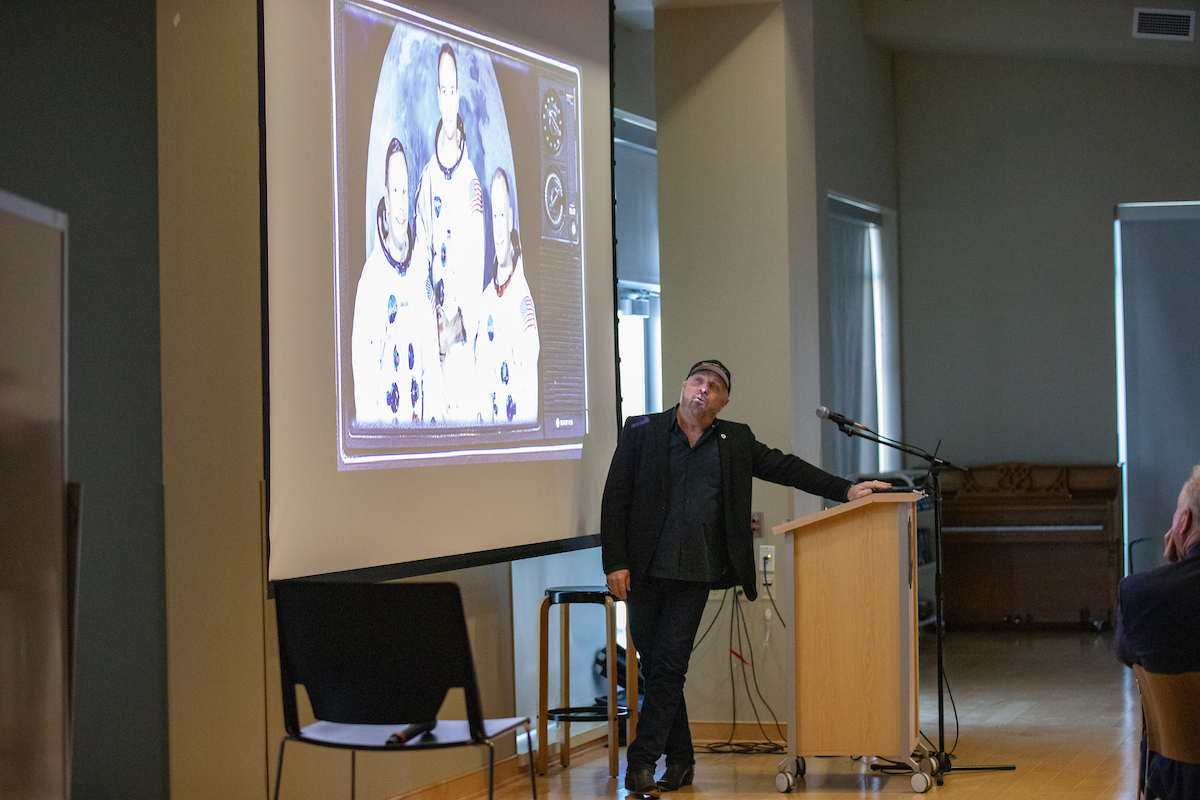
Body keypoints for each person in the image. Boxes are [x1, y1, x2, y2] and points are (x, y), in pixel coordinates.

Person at [600, 359, 891, 795]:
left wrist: (845, 489)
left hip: (696, 572)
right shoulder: (641, 429)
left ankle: (640, 764)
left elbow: (785, 467)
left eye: (714, 387)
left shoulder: (734, 440)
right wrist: (614, 562)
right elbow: (615, 496)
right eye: (698, 381)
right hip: (643, 571)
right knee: (657, 666)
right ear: (683, 387)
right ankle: (680, 761)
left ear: (724, 401)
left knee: (670, 666)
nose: (704, 390)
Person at [1113, 465, 1200, 800]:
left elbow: (1126, 652)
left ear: (1183, 521)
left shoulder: (1141, 595)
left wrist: (1172, 570)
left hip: (1180, 778)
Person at [412, 42, 485, 423]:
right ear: (436, 96)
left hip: (460, 341)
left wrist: (457, 323)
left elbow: (476, 268)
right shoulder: (426, 181)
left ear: (460, 94)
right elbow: (419, 261)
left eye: (453, 89)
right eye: (442, 89)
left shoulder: (472, 184)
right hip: (433, 338)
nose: (448, 97)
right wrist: (432, 320)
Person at [351, 138, 442, 425]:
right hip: (388, 451)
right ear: (386, 200)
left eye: (405, 192)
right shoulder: (371, 283)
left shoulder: (421, 275)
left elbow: (432, 370)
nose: (402, 206)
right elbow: (365, 392)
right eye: (395, 193)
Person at [472, 167, 539, 425]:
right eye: (494, 217)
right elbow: (481, 385)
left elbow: (528, 400)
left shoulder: (523, 303)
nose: (498, 230)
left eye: (503, 217)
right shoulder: (486, 300)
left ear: (510, 219)